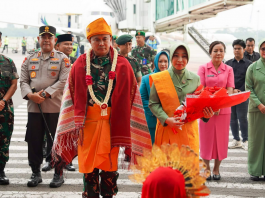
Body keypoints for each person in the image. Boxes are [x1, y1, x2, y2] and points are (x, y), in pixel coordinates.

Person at [51, 18, 152, 198]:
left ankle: (108, 194)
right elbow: (71, 97)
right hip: (87, 126)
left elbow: (132, 98)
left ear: (111, 39)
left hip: (111, 126)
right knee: (89, 172)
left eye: (105, 39)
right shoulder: (80, 64)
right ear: (89, 41)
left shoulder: (122, 64)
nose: (101, 43)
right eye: (96, 39)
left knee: (109, 171)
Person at [20, 26, 70, 188]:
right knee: (34, 141)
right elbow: (23, 81)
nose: (46, 40)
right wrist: (30, 95)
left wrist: (45, 94)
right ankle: (35, 172)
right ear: (39, 39)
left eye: (50, 37)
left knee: (56, 142)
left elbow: (64, 81)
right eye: (44, 37)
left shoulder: (63, 59)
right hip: (34, 108)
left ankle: (58, 173)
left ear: (55, 40)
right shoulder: (29, 58)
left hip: (55, 108)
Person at [149, 41, 214, 154]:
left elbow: (199, 104)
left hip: (188, 133)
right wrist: (166, 119)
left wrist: (206, 116)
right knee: (168, 169)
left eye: (184, 56)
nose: (180, 60)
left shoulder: (195, 79)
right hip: (167, 130)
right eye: (176, 55)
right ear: (171, 57)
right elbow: (153, 103)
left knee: (188, 169)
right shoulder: (160, 78)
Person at [198, 41, 235, 181]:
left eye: (221, 50)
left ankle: (216, 169)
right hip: (206, 110)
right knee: (206, 140)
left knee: (221, 140)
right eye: (215, 50)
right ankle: (206, 168)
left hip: (224, 110)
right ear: (210, 52)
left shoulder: (229, 69)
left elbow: (230, 90)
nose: (218, 53)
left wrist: (219, 104)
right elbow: (201, 89)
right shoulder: (203, 68)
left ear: (224, 53)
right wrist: (212, 105)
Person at [226, 39, 251, 151]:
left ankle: (246, 140)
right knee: (232, 118)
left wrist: (240, 90)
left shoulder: (249, 65)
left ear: (244, 49)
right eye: (235, 48)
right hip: (231, 95)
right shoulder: (228, 64)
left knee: (242, 118)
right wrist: (232, 90)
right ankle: (236, 140)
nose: (237, 50)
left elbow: (249, 81)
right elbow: (225, 80)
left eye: (239, 48)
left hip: (243, 95)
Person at [0, 35, 19, 185]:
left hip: (4, 111)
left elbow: (13, 84)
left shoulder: (8, 62)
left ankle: (1, 171)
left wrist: (3, 100)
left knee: (4, 141)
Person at [246, 38, 265, 181]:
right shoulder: (252, 68)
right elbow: (249, 88)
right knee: (255, 141)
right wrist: (259, 104)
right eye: (263, 49)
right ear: (260, 50)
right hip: (256, 110)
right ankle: (255, 170)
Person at [140, 51, 169, 144]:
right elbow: (143, 99)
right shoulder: (146, 79)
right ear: (156, 62)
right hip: (152, 120)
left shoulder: (172, 78)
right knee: (152, 149)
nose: (163, 64)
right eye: (160, 61)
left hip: (168, 122)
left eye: (165, 61)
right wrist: (154, 112)